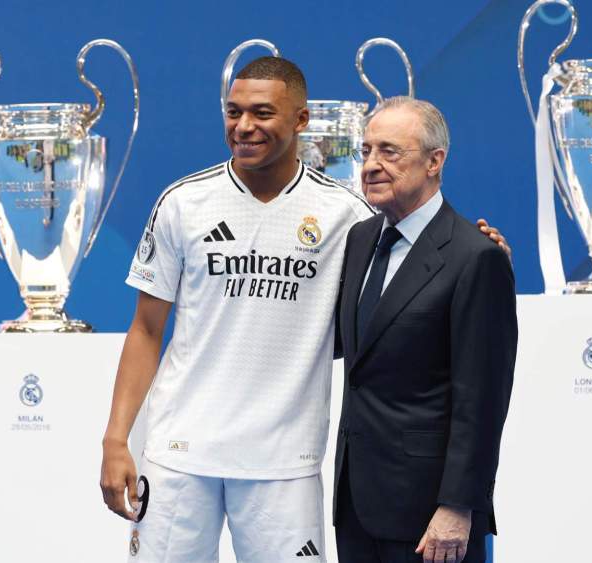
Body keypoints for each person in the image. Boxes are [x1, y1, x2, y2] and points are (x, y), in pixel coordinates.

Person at [100, 57, 508, 562]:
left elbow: (424, 249)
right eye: (234, 111)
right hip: (179, 454)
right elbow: (145, 329)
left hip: (285, 464)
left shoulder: (349, 215)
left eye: (263, 112)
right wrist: (117, 438)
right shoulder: (183, 202)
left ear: (301, 120)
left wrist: (483, 248)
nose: (244, 126)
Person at [332, 97, 517, 563]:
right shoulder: (359, 239)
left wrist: (458, 504)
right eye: (367, 150)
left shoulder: (477, 257)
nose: (371, 165)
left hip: (431, 517)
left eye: (390, 152)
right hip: (356, 506)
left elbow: (482, 400)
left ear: (435, 161)